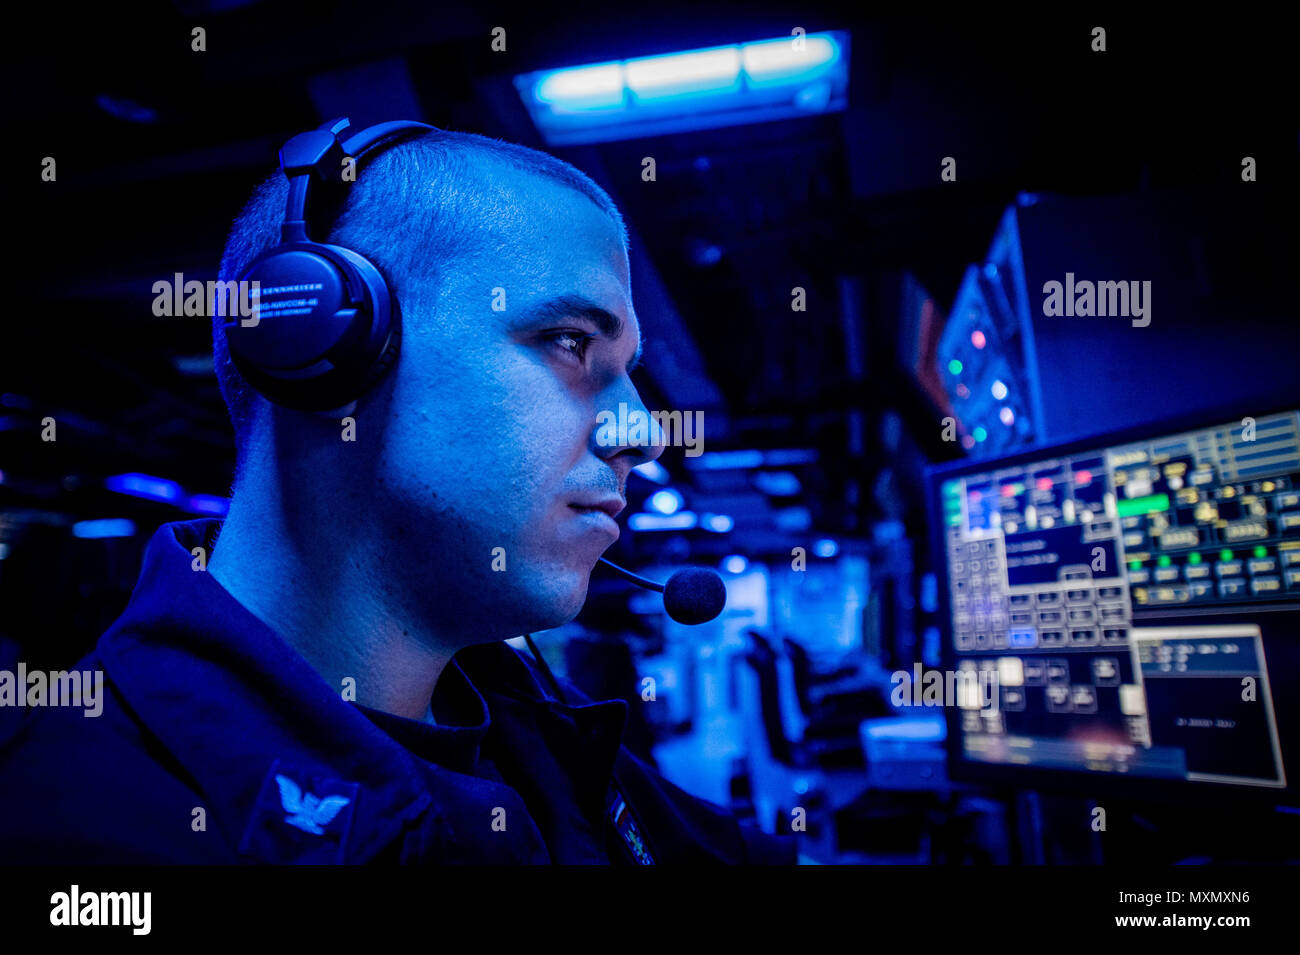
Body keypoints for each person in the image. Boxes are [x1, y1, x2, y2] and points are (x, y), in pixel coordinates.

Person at [0, 120, 796, 864]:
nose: (645, 430)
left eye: (629, 370)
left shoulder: (552, 747)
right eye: (569, 342)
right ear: (319, 340)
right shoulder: (61, 817)